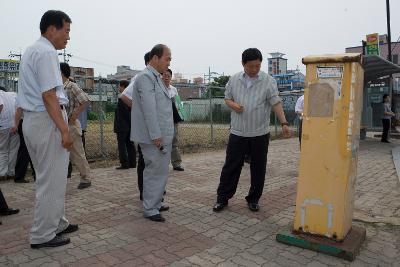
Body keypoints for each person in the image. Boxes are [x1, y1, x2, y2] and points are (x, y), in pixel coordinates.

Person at [17, 10, 78, 249]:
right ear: (52, 29)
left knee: (51, 177)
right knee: (51, 181)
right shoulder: (46, 52)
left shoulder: (33, 50)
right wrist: (64, 130)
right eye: (67, 31)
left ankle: (57, 222)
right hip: (46, 120)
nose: (68, 37)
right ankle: (43, 234)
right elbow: (49, 95)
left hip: (36, 120)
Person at [213, 48, 290, 213]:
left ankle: (253, 199)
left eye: (257, 66)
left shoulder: (268, 80)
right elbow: (227, 98)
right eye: (251, 66)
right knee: (231, 167)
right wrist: (233, 105)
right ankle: (222, 198)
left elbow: (276, 103)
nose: (254, 70)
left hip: (259, 134)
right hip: (238, 133)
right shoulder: (234, 80)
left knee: (258, 168)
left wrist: (284, 122)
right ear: (243, 64)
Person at [131, 44, 173, 222]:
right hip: (154, 136)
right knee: (154, 171)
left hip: (162, 135)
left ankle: (154, 203)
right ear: (155, 58)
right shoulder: (146, 78)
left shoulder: (156, 77)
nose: (169, 62)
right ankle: (150, 208)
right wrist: (156, 136)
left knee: (160, 171)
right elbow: (149, 109)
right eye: (167, 58)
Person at [60, 62, 92, 189]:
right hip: (60, 125)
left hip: (71, 125)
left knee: (77, 153)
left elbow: (86, 100)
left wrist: (75, 115)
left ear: (61, 72)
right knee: (60, 153)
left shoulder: (71, 86)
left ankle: (86, 178)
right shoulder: (57, 87)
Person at [162, 69, 184, 171]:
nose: (166, 78)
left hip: (173, 120)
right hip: (162, 120)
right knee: (163, 142)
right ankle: (162, 165)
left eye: (168, 76)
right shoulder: (158, 89)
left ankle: (177, 164)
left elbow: (179, 105)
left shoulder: (174, 89)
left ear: (171, 78)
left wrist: (181, 114)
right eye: (164, 76)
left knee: (174, 142)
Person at [114, 80, 136, 169]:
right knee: (130, 144)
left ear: (123, 87)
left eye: (119, 86)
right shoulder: (131, 99)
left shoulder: (122, 99)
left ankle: (124, 163)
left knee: (122, 145)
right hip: (130, 125)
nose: (119, 88)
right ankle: (132, 162)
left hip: (122, 127)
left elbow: (123, 114)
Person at [0, 88, 20, 180]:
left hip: (3, 125)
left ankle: (2, 173)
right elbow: (19, 108)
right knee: (13, 150)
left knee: (3, 150)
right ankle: (11, 172)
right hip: (15, 124)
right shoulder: (13, 94)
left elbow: (0, 105)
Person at [12, 106, 35, 183]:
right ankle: (19, 176)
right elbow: (19, 110)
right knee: (25, 150)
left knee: (31, 149)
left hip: (30, 122)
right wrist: (15, 125)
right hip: (26, 122)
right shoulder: (22, 96)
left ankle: (35, 174)